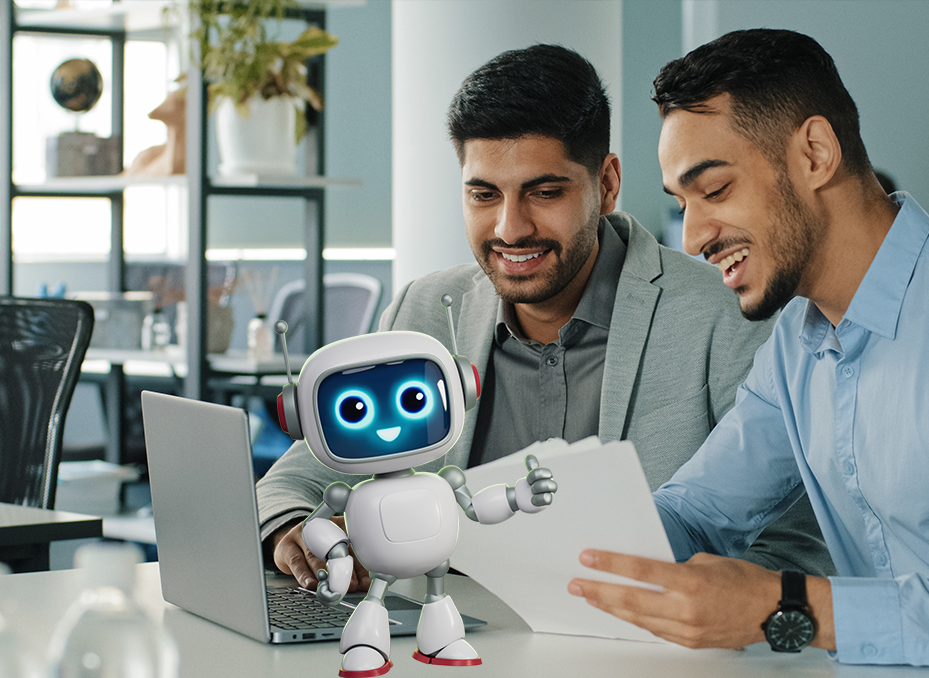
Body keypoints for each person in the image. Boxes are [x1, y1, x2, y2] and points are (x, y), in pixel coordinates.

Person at [256, 43, 833, 593]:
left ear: (607, 184)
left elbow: (800, 542)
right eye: (484, 195)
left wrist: (682, 601)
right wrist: (294, 531)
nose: (510, 228)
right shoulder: (425, 311)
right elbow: (301, 475)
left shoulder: (730, 315)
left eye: (545, 192)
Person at [567, 28, 929, 666]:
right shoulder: (795, 346)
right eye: (683, 203)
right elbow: (698, 512)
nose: (693, 239)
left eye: (715, 190)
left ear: (815, 154)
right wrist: (571, 547)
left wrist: (786, 606)